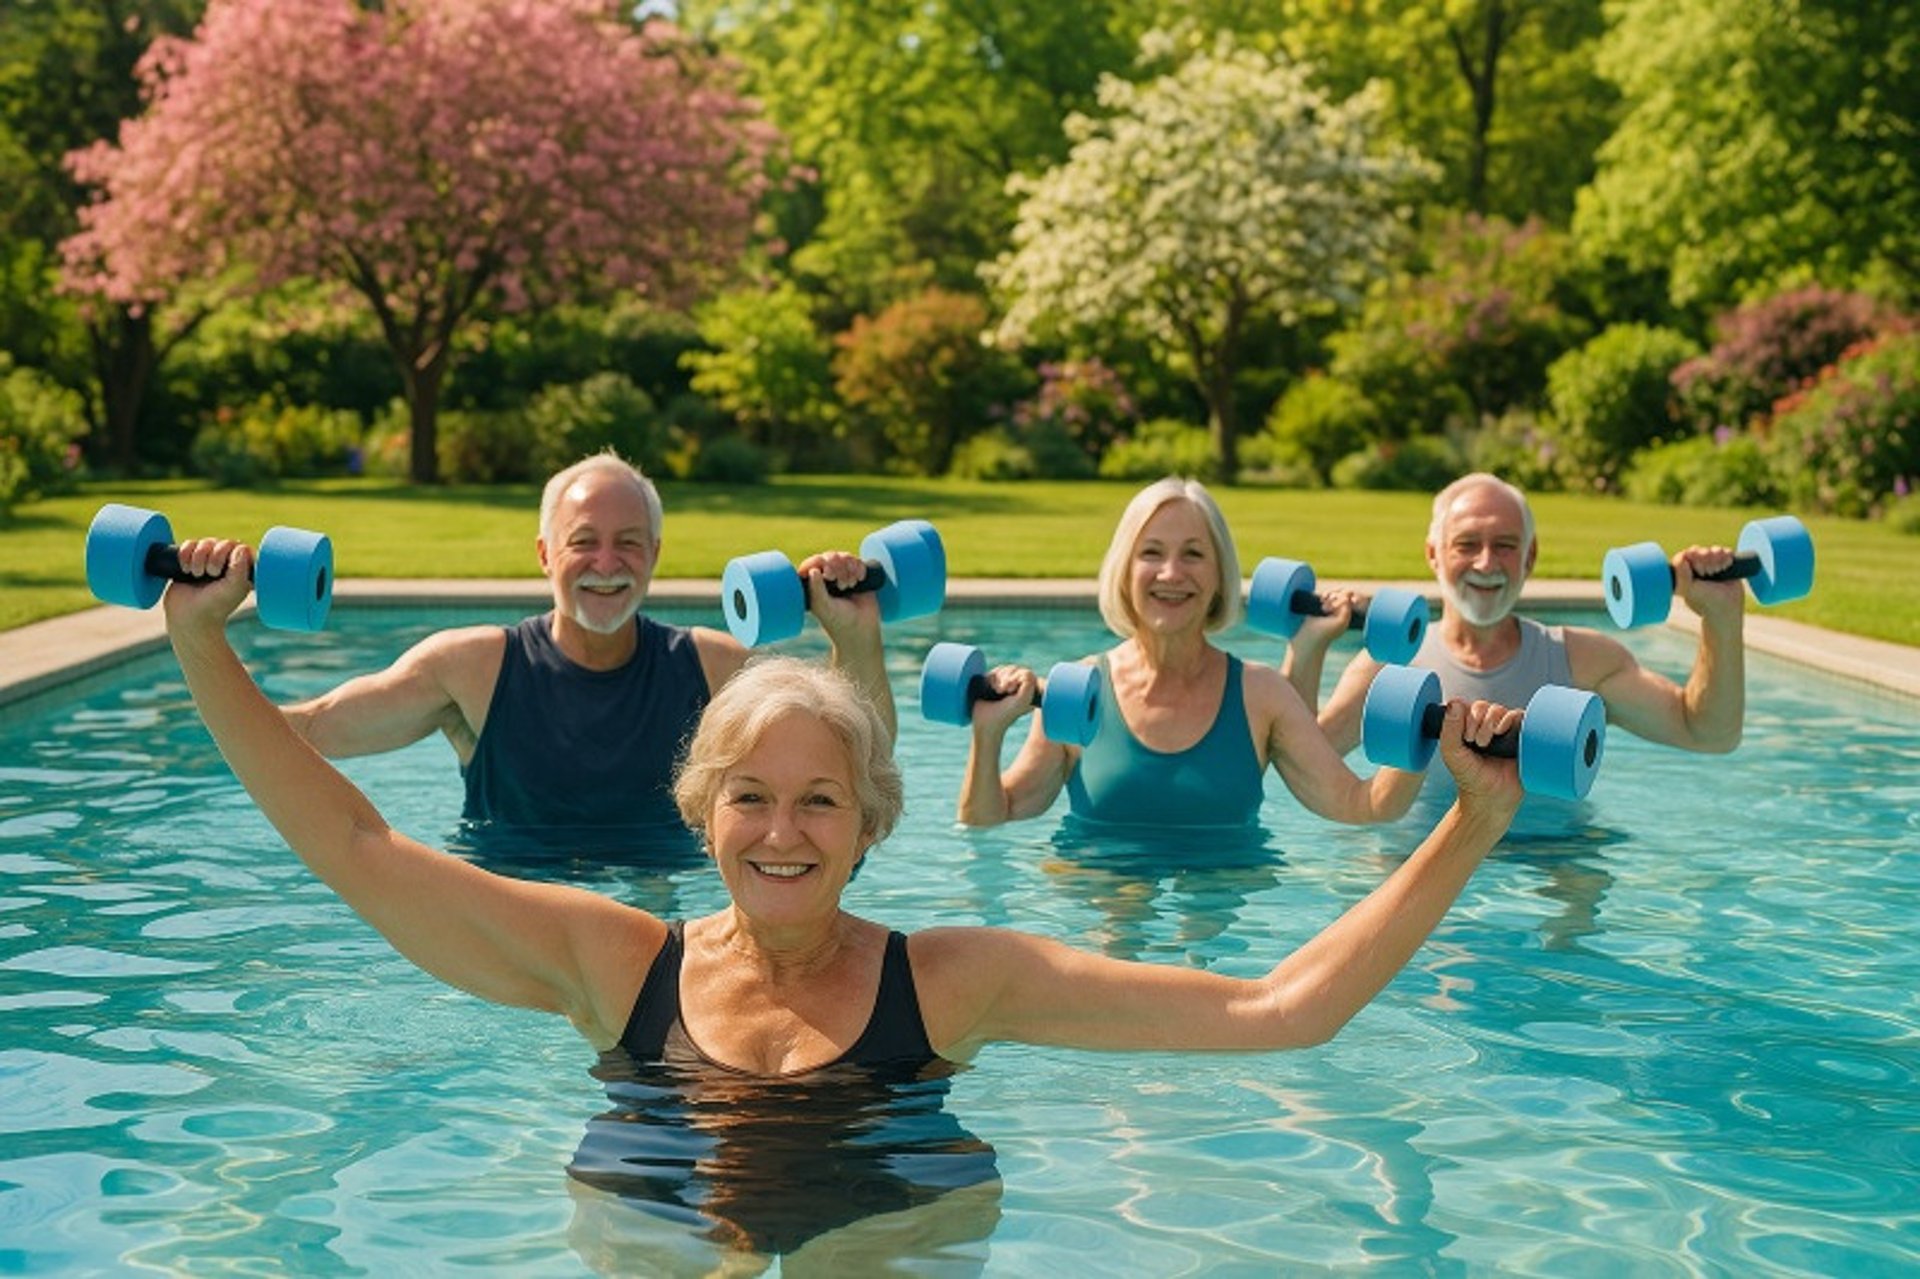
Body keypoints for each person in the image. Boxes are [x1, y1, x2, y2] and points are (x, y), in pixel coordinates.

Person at [161, 536, 1523, 1257]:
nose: (781, 828)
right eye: (749, 793)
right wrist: (193, 642)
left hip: (894, 1204)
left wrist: (1474, 820)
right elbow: (354, 843)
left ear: (869, 822)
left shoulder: (953, 978)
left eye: (820, 798)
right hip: (659, 1194)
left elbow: (1285, 1008)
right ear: (700, 811)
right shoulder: (607, 955)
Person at [279, 450, 896, 840]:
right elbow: (316, 729)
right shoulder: (471, 669)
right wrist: (201, 638)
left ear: (654, 555)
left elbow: (860, 762)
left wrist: (856, 637)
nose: (607, 564)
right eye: (583, 542)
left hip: (662, 931)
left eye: (629, 542)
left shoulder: (717, 669)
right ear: (546, 554)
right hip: (515, 923)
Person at [955, 476, 1422, 829]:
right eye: (1152, 553)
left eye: (1194, 555)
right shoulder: (1076, 689)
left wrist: (1419, 735)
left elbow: (1362, 806)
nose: (1171, 573)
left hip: (1220, 914)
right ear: (1123, 572)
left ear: (1220, 577)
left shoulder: (1263, 694)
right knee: (1119, 916)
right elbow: (989, 818)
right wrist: (988, 734)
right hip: (1103, 904)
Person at [1313, 472, 1746, 763]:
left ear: (1530, 556)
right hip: (1416, 873)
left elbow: (1708, 734)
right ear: (1433, 554)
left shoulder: (1585, 661)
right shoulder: (1387, 663)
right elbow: (1304, 756)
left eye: (1504, 545)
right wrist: (1309, 644)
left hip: (1549, 868)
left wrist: (1721, 619)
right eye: (1466, 544)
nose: (1486, 564)